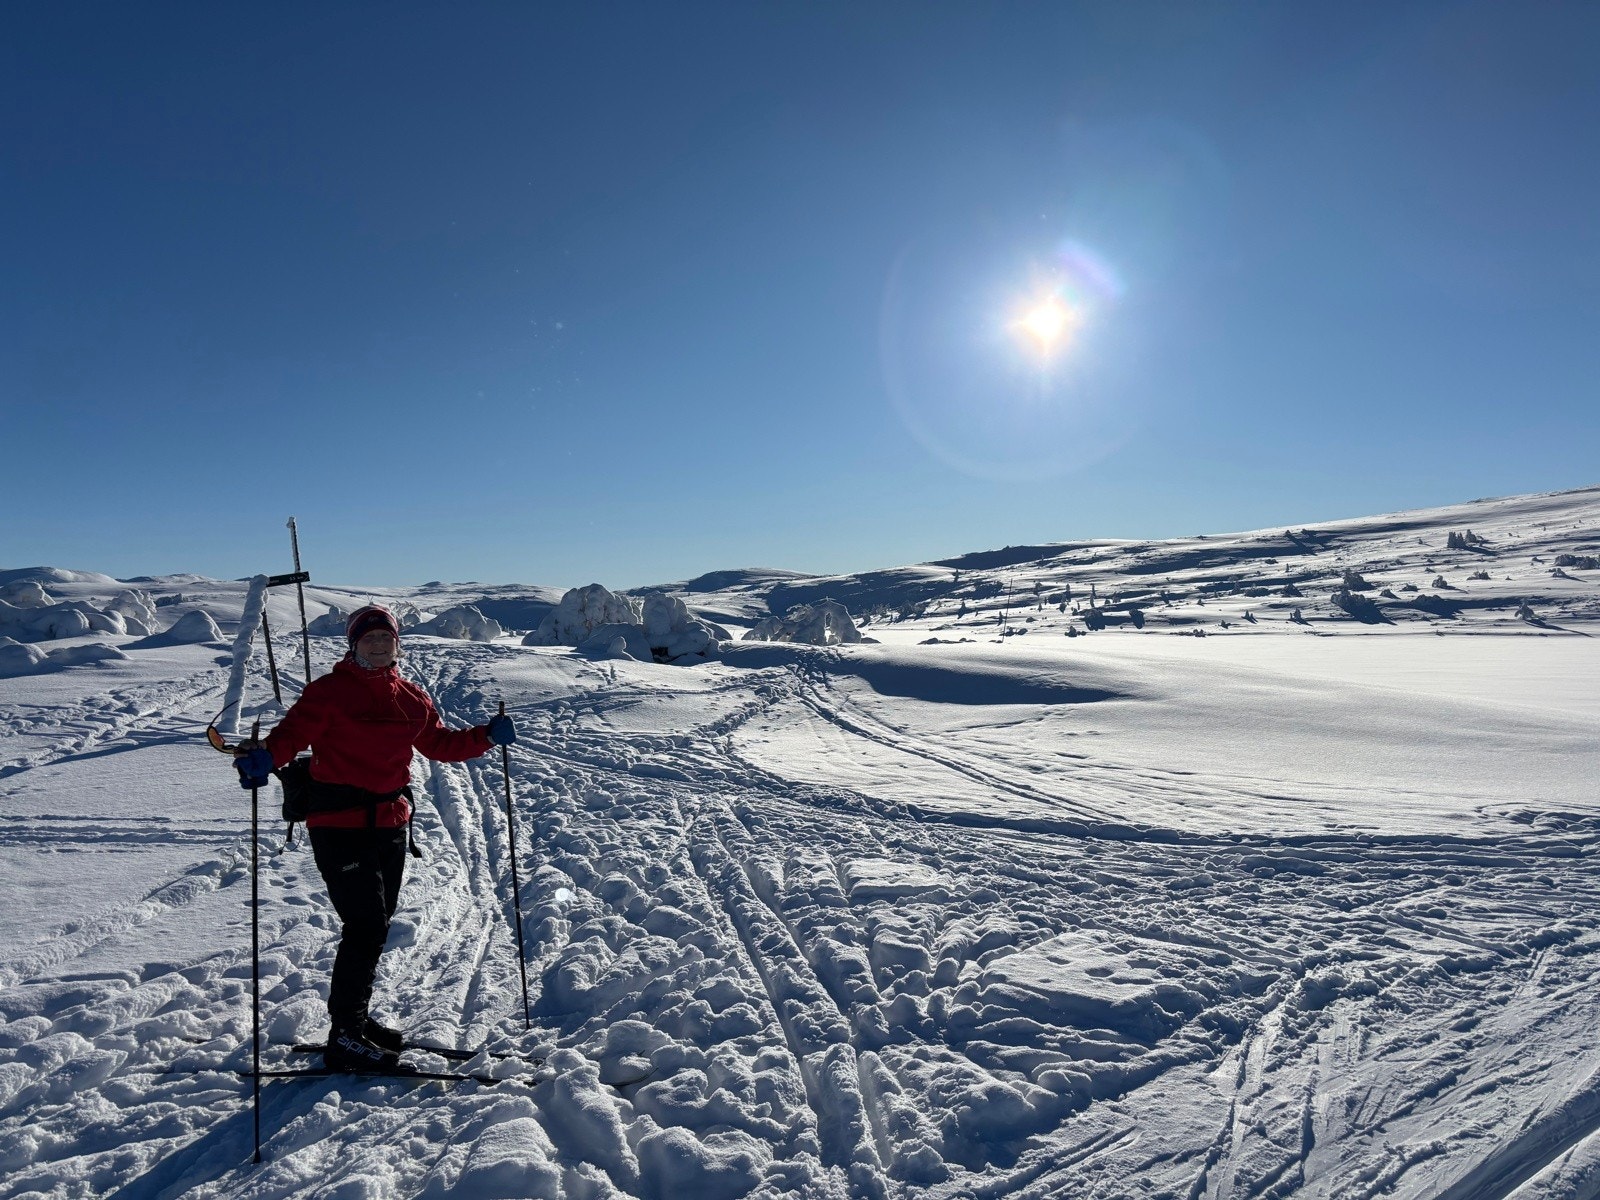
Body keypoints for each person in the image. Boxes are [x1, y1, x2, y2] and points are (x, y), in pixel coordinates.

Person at [232, 604, 515, 1070]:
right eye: (370, 640)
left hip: (389, 823)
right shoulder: (328, 693)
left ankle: (356, 1022)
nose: (379, 646)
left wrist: (486, 736)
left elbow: (439, 745)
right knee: (363, 925)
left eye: (387, 638)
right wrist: (263, 758)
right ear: (353, 644)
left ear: (397, 643)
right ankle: (344, 1036)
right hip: (337, 823)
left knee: (376, 924)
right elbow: (289, 737)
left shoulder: (411, 697)